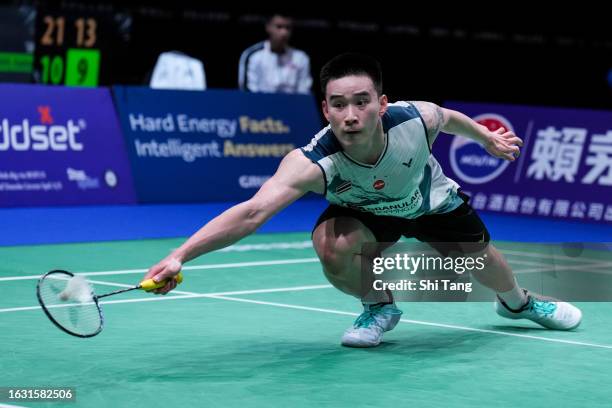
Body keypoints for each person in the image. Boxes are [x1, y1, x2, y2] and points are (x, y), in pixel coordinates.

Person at [145, 53, 582, 348]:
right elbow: (254, 211)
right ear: (325, 110)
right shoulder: (313, 161)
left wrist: (485, 137)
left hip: (428, 200)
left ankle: (519, 304)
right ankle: (378, 308)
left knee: (483, 260)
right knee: (331, 245)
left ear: (381, 103)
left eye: (361, 102)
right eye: (339, 105)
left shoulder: (414, 119)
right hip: (366, 212)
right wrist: (180, 255)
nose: (350, 115)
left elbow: (448, 118)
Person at [238, 13, 312, 94]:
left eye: (288, 28)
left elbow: (304, 93)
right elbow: (248, 92)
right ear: (268, 27)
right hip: (260, 104)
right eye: (279, 27)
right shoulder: (253, 55)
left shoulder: (301, 58)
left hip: (291, 105)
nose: (284, 32)